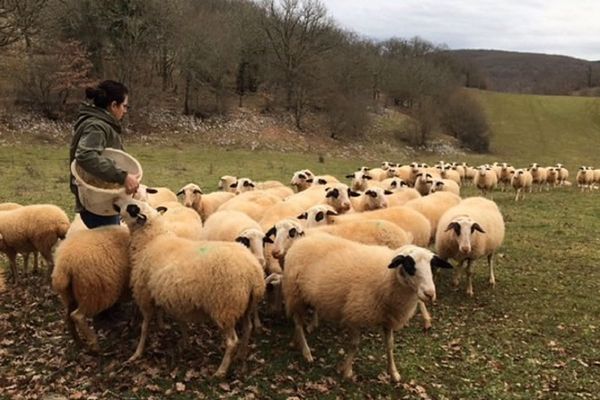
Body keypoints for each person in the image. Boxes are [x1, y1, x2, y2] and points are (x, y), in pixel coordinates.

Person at [69, 80, 140, 229]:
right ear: (114, 105)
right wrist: (122, 176)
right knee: (108, 249)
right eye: (124, 106)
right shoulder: (96, 126)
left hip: (106, 200)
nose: (125, 111)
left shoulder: (101, 124)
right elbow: (85, 155)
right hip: (99, 203)